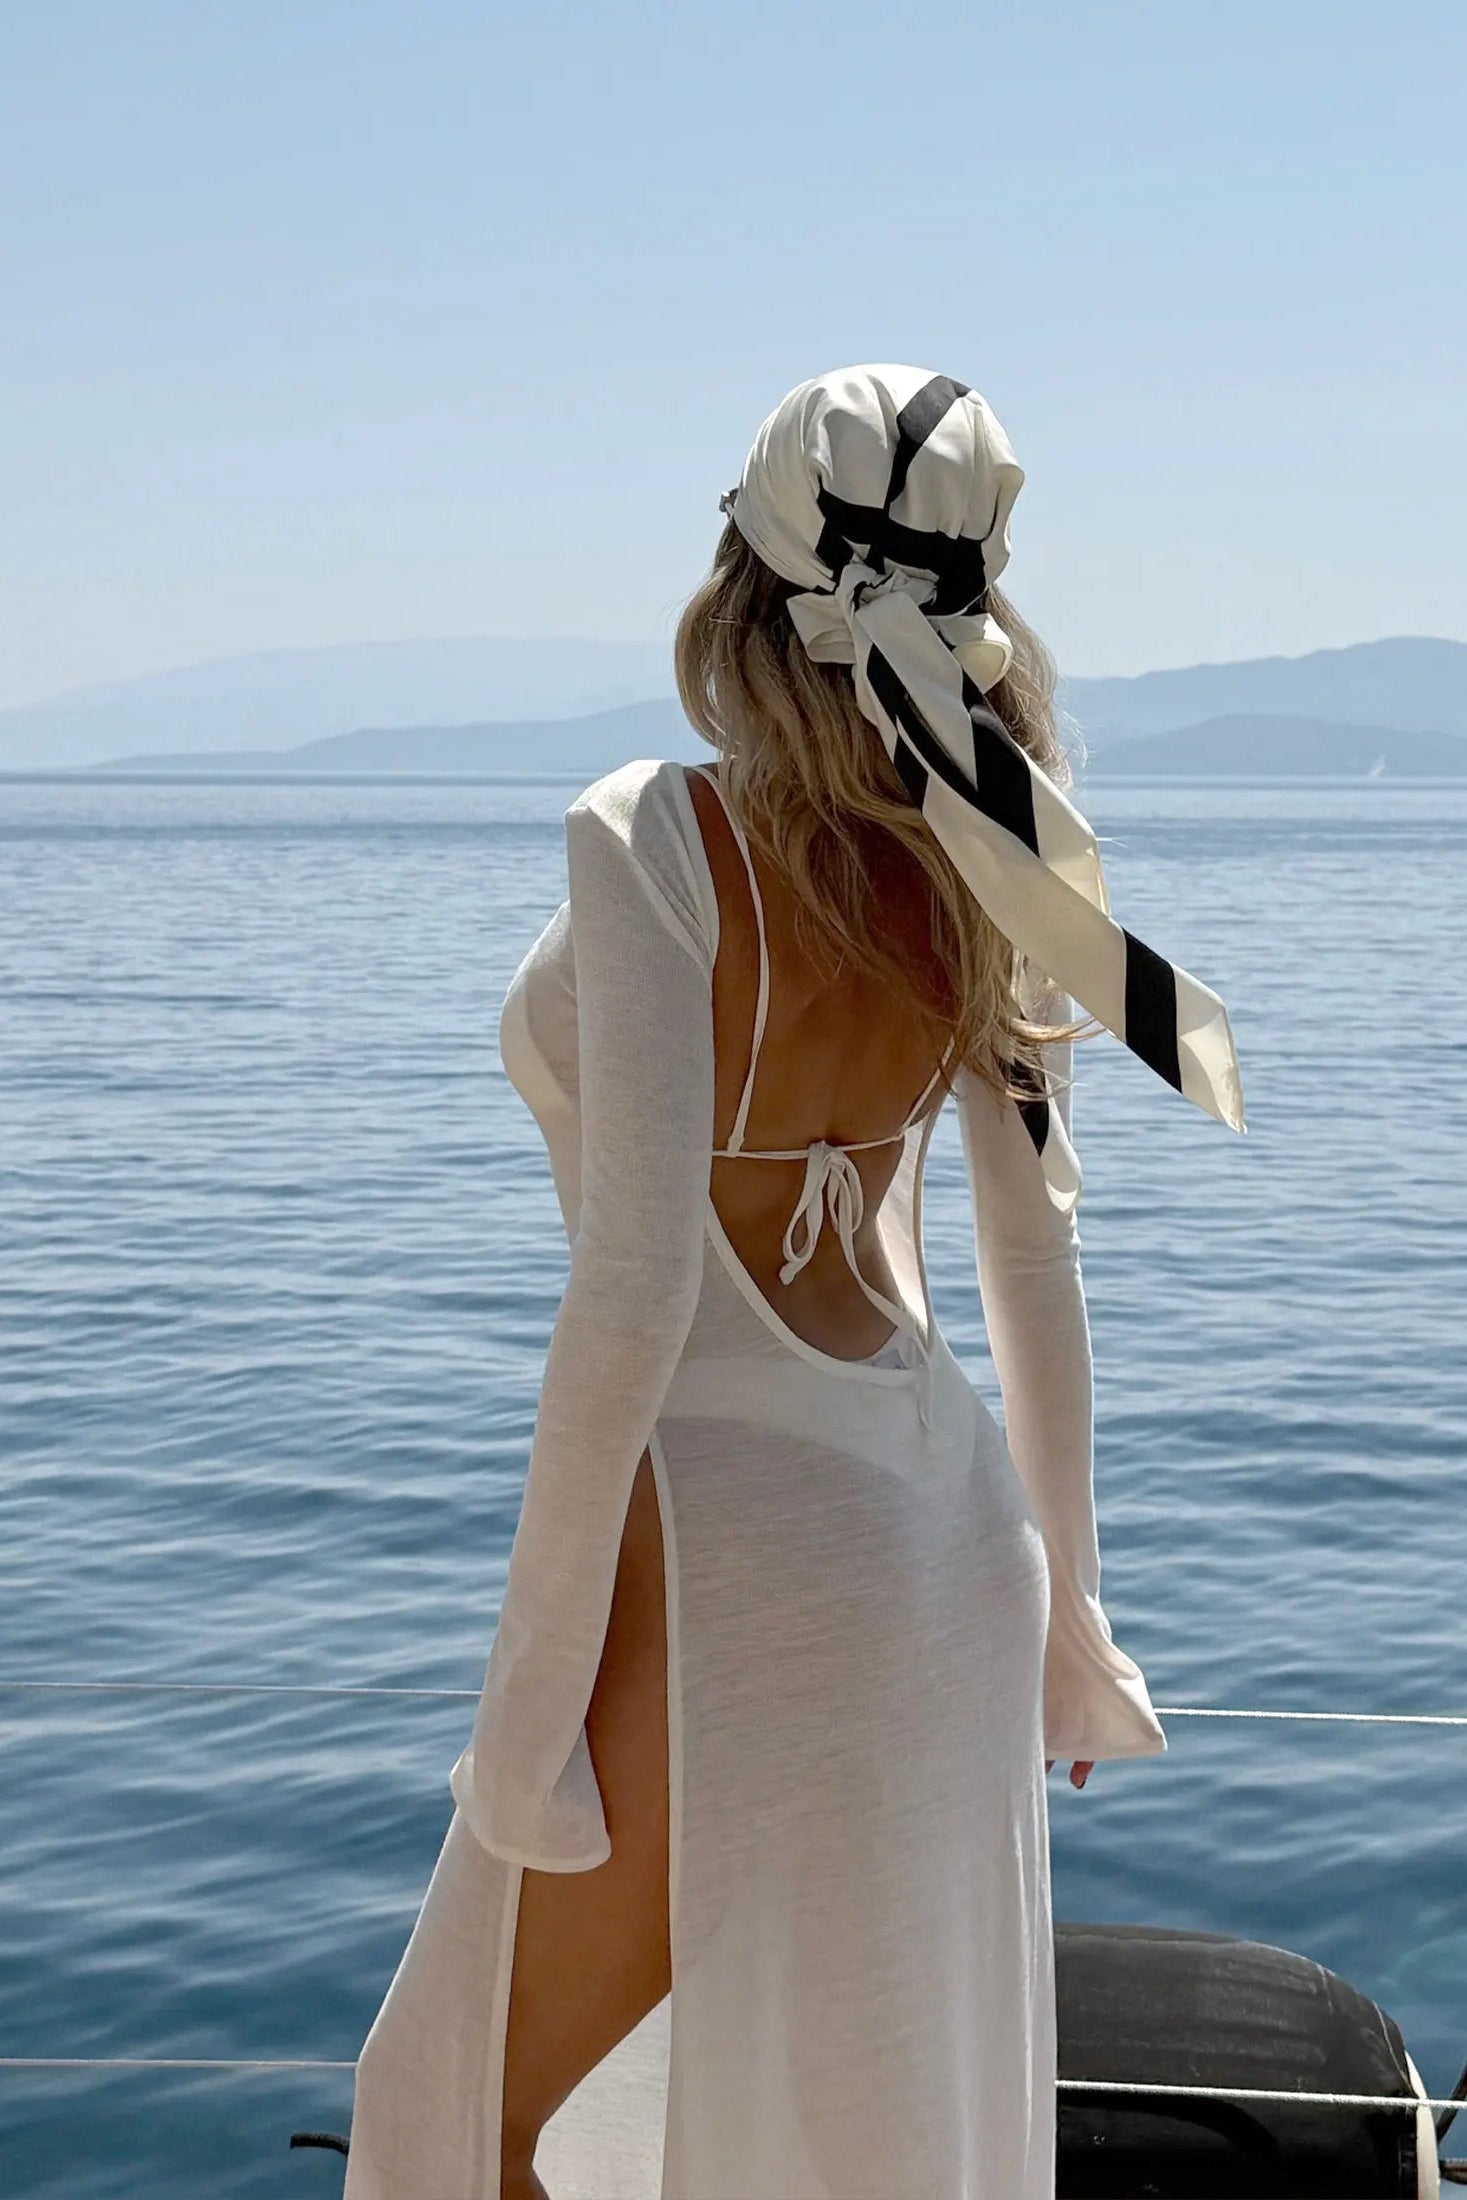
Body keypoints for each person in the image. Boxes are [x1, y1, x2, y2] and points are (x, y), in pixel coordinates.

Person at [341, 364, 1245, 2200]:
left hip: (726, 1555)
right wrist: (1073, 1617)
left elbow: (631, 1301)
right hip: (944, 1547)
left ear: (740, 579)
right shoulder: (997, 853)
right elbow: (1030, 1253)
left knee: (460, 2125)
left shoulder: (653, 835)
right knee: (875, 2105)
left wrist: (523, 1725)